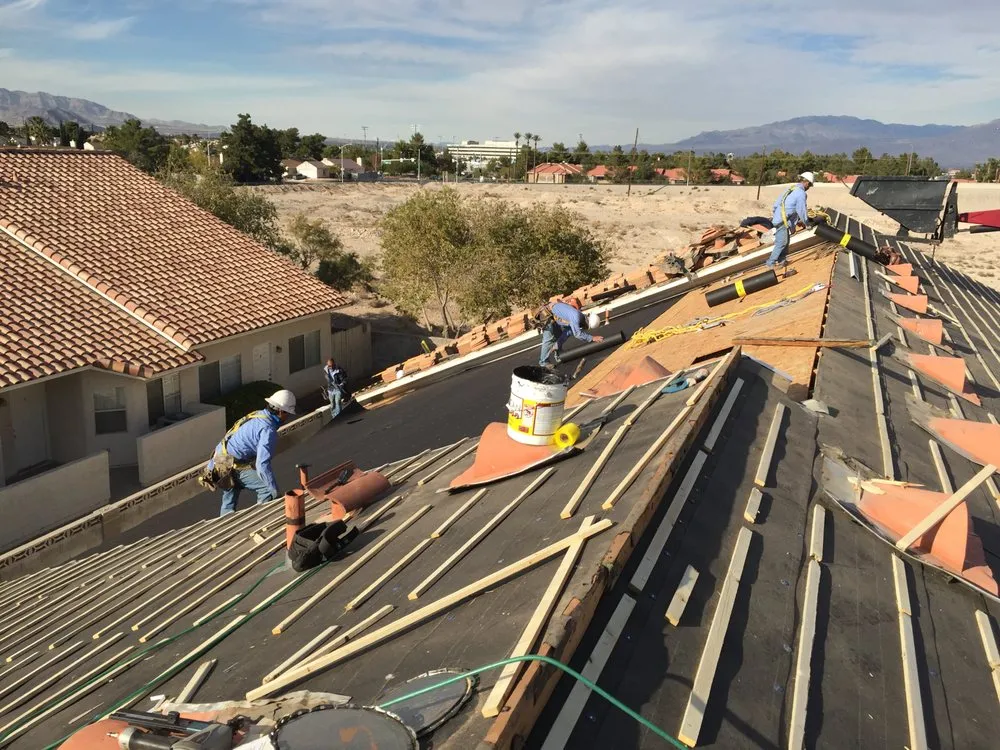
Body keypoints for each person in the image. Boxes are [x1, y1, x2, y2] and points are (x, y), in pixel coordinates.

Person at [206, 389, 296, 517]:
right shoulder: (268, 430)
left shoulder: (258, 415)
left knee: (229, 498)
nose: (288, 418)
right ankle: (260, 519)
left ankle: (224, 523)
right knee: (267, 490)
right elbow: (262, 464)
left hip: (219, 460)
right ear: (281, 412)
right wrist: (274, 490)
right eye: (288, 414)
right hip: (231, 464)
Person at [765, 171, 815, 274]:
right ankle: (770, 263)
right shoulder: (801, 193)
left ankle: (782, 261)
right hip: (782, 221)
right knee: (782, 242)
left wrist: (777, 214)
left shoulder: (791, 188)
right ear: (807, 182)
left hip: (779, 219)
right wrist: (807, 224)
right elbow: (801, 210)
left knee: (786, 241)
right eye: (810, 185)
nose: (809, 188)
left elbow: (777, 204)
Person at [538, 298, 603, 367]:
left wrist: (557, 345)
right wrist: (592, 338)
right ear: (586, 322)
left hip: (553, 315)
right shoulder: (576, 317)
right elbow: (578, 334)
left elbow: (568, 331)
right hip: (546, 314)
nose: (583, 328)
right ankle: (543, 362)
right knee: (549, 339)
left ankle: (559, 356)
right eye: (585, 327)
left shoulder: (578, 316)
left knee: (559, 335)